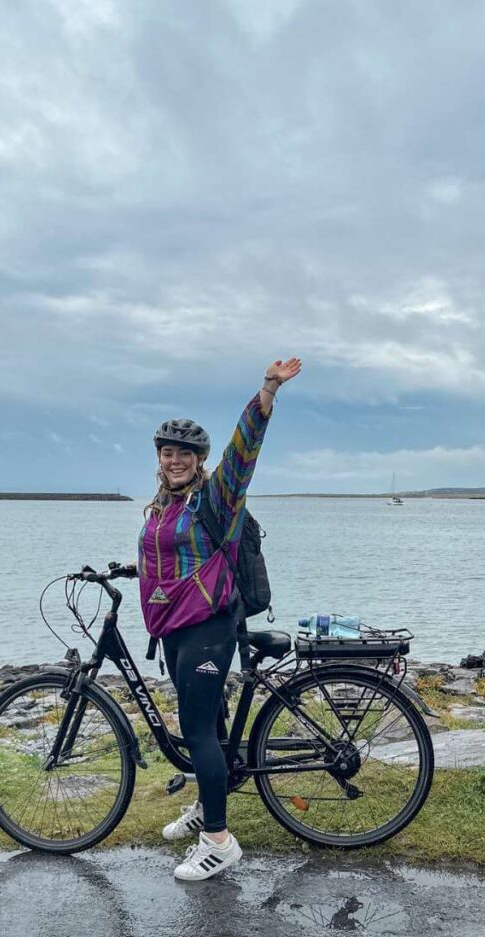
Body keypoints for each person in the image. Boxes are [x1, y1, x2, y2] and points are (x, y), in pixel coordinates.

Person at [134, 358, 302, 881]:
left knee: (198, 730)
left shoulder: (217, 495)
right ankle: (208, 806)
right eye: (168, 452)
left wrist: (267, 390)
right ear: (159, 460)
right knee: (207, 723)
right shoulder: (163, 505)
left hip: (209, 625)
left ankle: (219, 842)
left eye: (185, 453)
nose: (176, 459)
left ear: (200, 459)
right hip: (176, 628)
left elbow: (244, 452)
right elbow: (167, 555)